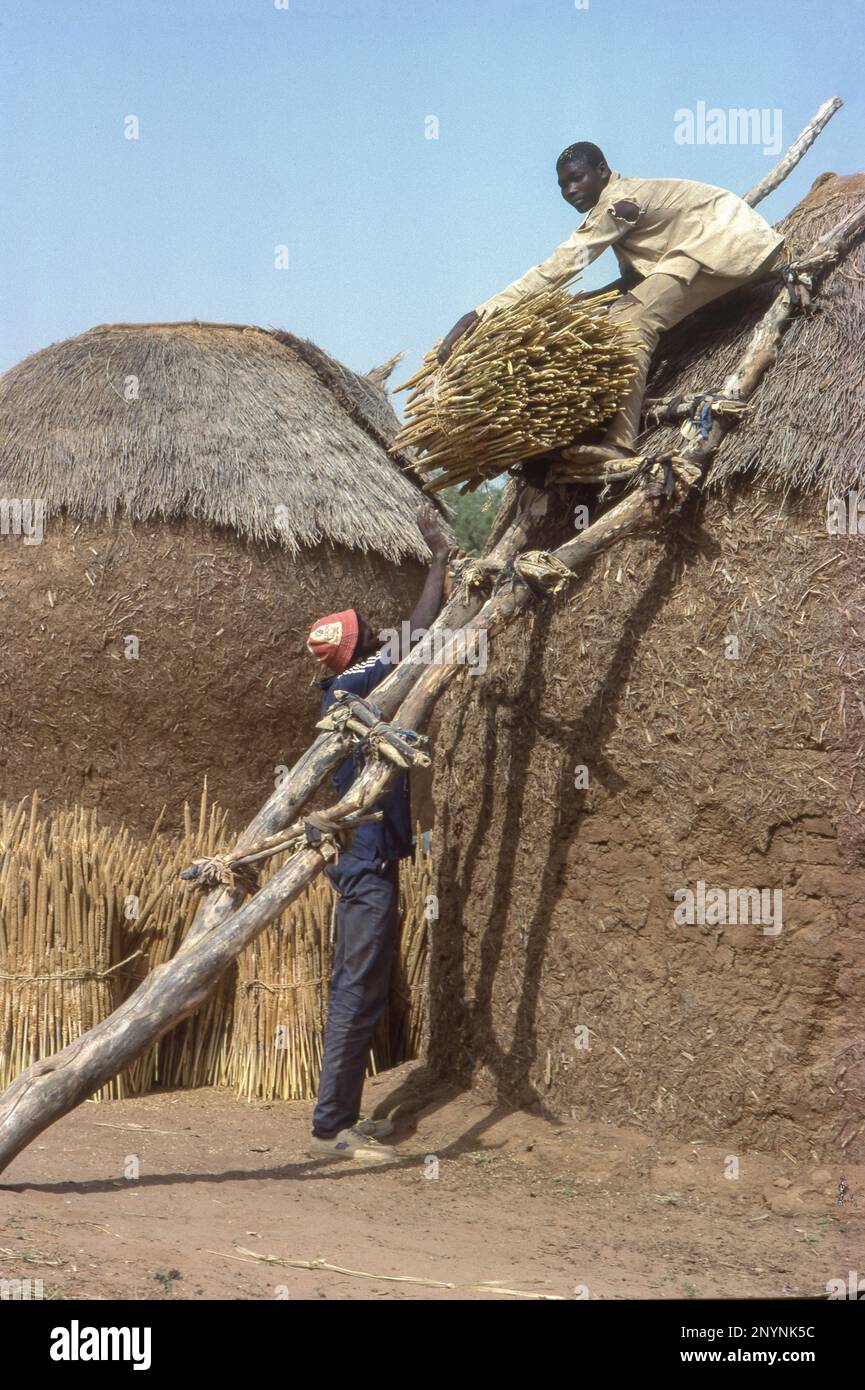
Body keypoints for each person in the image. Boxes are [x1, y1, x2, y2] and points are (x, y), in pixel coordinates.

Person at [438, 141, 785, 458]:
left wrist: (481, 312)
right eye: (562, 185)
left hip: (722, 243)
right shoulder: (622, 199)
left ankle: (619, 443)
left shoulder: (617, 205)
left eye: (577, 178)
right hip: (709, 243)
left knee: (630, 322)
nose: (570, 190)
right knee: (618, 306)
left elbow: (559, 267)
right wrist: (594, 298)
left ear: (602, 171)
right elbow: (637, 277)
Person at [305, 501, 450, 1161]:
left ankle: (345, 1117)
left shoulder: (354, 689)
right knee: (357, 984)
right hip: (363, 865)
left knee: (362, 982)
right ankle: (332, 1128)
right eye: (366, 636)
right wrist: (440, 560)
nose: (374, 639)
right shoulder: (353, 688)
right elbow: (418, 633)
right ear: (356, 651)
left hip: (369, 860)